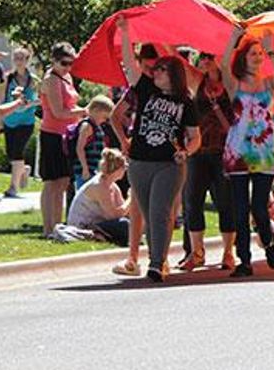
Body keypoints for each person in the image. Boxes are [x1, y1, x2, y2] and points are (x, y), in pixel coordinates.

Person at [118, 16, 201, 283]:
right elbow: (130, 66)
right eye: (155, 69)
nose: (156, 72)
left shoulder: (185, 102)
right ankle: (159, 260)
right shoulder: (145, 89)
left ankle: (155, 263)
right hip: (140, 162)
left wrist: (186, 152)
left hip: (169, 164)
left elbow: (195, 137)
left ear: (173, 74)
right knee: (150, 217)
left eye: (162, 69)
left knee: (159, 211)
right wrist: (126, 32)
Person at [221, 26, 274, 278]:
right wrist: (233, 39)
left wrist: (270, 50)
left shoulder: (269, 82)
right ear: (243, 58)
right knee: (240, 206)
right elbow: (224, 64)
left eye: (260, 54)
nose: (258, 58)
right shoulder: (234, 83)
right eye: (253, 54)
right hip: (238, 150)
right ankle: (244, 260)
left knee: (259, 206)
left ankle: (268, 242)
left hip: (264, 150)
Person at [180, 52, 237, 271]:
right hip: (199, 151)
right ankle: (197, 252)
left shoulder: (230, 84)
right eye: (201, 57)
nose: (203, 61)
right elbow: (179, 62)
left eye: (208, 57)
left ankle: (228, 252)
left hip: (224, 151)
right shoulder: (198, 82)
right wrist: (160, 37)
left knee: (225, 201)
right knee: (193, 200)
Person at [110, 43, 159, 277]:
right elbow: (115, 116)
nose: (150, 71)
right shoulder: (136, 90)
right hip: (139, 150)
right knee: (138, 207)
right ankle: (133, 257)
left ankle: (157, 257)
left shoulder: (165, 86)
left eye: (153, 67)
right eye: (146, 67)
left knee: (159, 208)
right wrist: (124, 141)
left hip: (161, 153)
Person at [38, 42, 88, 237]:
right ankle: (48, 227)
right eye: (64, 63)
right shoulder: (51, 80)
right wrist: (83, 111)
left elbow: (69, 106)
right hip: (52, 134)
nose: (68, 67)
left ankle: (57, 226)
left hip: (66, 133)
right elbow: (58, 112)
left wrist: (78, 113)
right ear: (54, 60)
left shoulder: (66, 77)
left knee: (63, 181)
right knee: (51, 182)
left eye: (71, 63)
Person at [67, 148, 131, 246]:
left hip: (97, 223)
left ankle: (110, 237)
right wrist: (130, 199)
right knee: (124, 225)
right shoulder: (100, 186)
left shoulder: (112, 185)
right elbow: (114, 215)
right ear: (117, 169)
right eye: (124, 168)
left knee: (128, 223)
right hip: (81, 227)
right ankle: (101, 236)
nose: (125, 171)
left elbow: (124, 211)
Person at [0, 47, 38, 199]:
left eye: (22, 58)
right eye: (16, 58)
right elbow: (2, 99)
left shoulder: (34, 80)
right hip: (10, 120)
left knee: (17, 152)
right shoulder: (8, 78)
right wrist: (0, 119)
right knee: (11, 154)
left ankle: (13, 188)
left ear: (27, 60)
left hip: (26, 121)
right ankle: (24, 169)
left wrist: (29, 104)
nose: (18, 61)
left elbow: (41, 99)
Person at [73, 95, 116, 191]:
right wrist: (85, 168)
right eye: (104, 117)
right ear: (96, 111)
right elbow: (79, 148)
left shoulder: (97, 126)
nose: (105, 120)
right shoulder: (87, 126)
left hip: (94, 167)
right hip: (85, 169)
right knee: (85, 194)